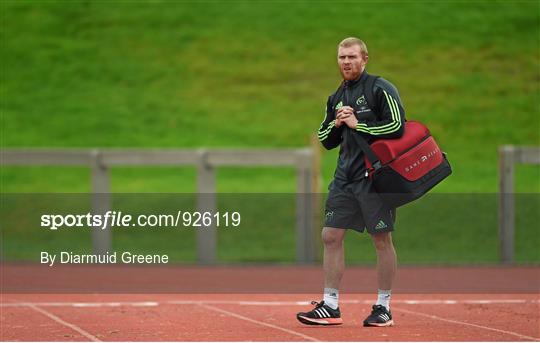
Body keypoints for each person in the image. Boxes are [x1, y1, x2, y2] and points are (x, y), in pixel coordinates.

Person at [296, 37, 405, 327]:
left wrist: (360, 124)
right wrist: (337, 123)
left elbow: (398, 126)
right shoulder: (336, 97)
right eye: (342, 57)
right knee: (330, 236)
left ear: (365, 59)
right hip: (344, 178)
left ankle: (384, 307)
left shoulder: (380, 88)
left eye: (352, 57)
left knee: (381, 239)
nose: (346, 62)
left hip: (374, 179)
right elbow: (324, 139)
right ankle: (330, 305)